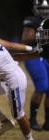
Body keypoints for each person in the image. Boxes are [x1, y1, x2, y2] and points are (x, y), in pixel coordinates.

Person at [22, 0, 49, 131]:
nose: (44, 11)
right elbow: (25, 39)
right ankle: (32, 120)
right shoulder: (32, 20)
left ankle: (48, 122)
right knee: (43, 86)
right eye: (41, 8)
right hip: (34, 56)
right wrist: (42, 34)